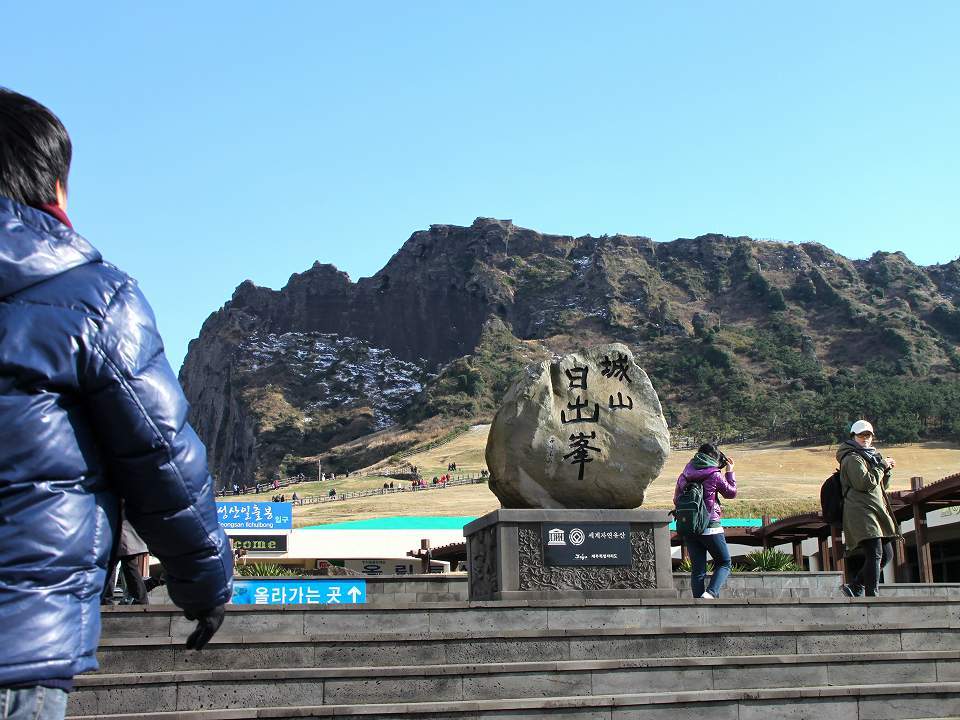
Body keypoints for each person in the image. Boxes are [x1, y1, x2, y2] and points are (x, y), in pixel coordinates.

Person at [0, 88, 233, 716]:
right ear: (54, 186)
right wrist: (204, 581)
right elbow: (160, 456)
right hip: (17, 639)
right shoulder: (93, 300)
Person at [839, 420, 897, 597]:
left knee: (887, 555)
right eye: (861, 435)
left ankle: (856, 585)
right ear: (853, 437)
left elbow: (882, 486)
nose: (865, 438)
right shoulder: (851, 458)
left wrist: (887, 470)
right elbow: (864, 483)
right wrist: (882, 466)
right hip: (861, 512)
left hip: (875, 510)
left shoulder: (871, 457)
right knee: (875, 553)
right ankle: (872, 595)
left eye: (868, 435)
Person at [673, 443, 737, 599]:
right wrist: (730, 472)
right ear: (713, 458)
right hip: (710, 526)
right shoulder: (714, 474)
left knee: (698, 569)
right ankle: (710, 593)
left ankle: (697, 604)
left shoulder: (684, 475)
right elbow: (731, 493)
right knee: (724, 562)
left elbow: (676, 500)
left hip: (690, 528)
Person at [101, 508, 150, 605]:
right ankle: (141, 600)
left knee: (114, 565)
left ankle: (106, 599)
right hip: (125, 531)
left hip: (120, 530)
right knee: (128, 566)